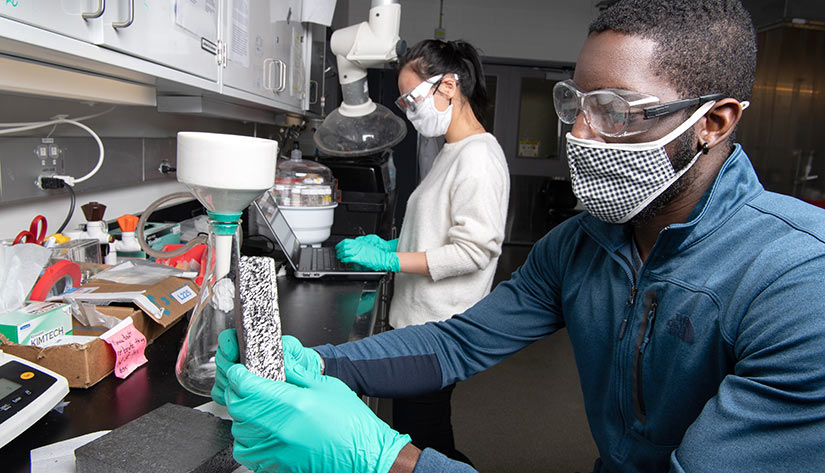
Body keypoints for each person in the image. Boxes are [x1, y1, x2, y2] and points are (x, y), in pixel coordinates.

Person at [211, 1, 825, 472]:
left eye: (616, 110)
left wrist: (384, 459)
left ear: (713, 122)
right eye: (577, 104)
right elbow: (456, 345)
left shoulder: (799, 281)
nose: (581, 135)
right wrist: (318, 364)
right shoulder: (579, 245)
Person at [333, 39, 510, 462]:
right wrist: (391, 244)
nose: (409, 111)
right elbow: (438, 232)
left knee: (425, 443)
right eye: (404, 101)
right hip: (418, 324)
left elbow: (473, 251)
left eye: (412, 99)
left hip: (439, 331)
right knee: (418, 433)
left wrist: (392, 260)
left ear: (448, 86)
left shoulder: (480, 157)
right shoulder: (451, 152)